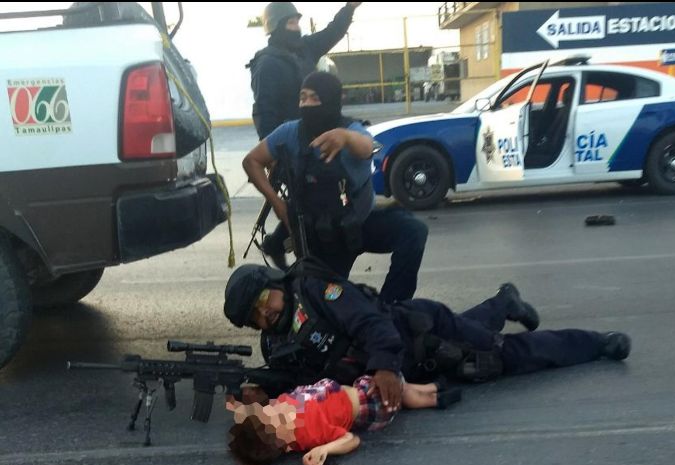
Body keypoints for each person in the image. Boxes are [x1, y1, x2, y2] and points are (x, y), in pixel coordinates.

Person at [223, 260, 632, 413]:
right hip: (413, 368)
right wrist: (266, 393)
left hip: (422, 331)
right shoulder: (276, 346)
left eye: (264, 300)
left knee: (502, 356)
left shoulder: (315, 292)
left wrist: (383, 366)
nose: (265, 313)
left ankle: (598, 343)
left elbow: (371, 324)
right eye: (254, 317)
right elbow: (307, 386)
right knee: (476, 339)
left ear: (274, 282)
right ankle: (504, 302)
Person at [242, 72, 428, 304]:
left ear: (330, 100)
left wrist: (345, 138)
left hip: (360, 222)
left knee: (414, 231)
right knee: (329, 305)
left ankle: (391, 307)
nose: (307, 104)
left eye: (315, 98)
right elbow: (251, 161)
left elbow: (366, 147)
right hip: (324, 239)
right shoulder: (291, 132)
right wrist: (279, 206)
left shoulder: (351, 129)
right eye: (303, 97)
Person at [246, 2, 362, 272]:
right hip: (291, 144)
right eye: (290, 23)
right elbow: (264, 111)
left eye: (298, 22)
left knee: (313, 199)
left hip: (316, 138)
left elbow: (333, 32)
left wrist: (349, 8)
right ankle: (310, 269)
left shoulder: (304, 49)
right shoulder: (268, 63)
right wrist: (272, 153)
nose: (297, 27)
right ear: (275, 26)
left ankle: (280, 244)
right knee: (307, 203)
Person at [226, 374, 461, 465]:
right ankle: (434, 398)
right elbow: (351, 439)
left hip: (359, 387)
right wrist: (324, 449)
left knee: (400, 386)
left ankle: (434, 386)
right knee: (401, 394)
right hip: (370, 406)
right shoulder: (310, 434)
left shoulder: (281, 408)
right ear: (282, 441)